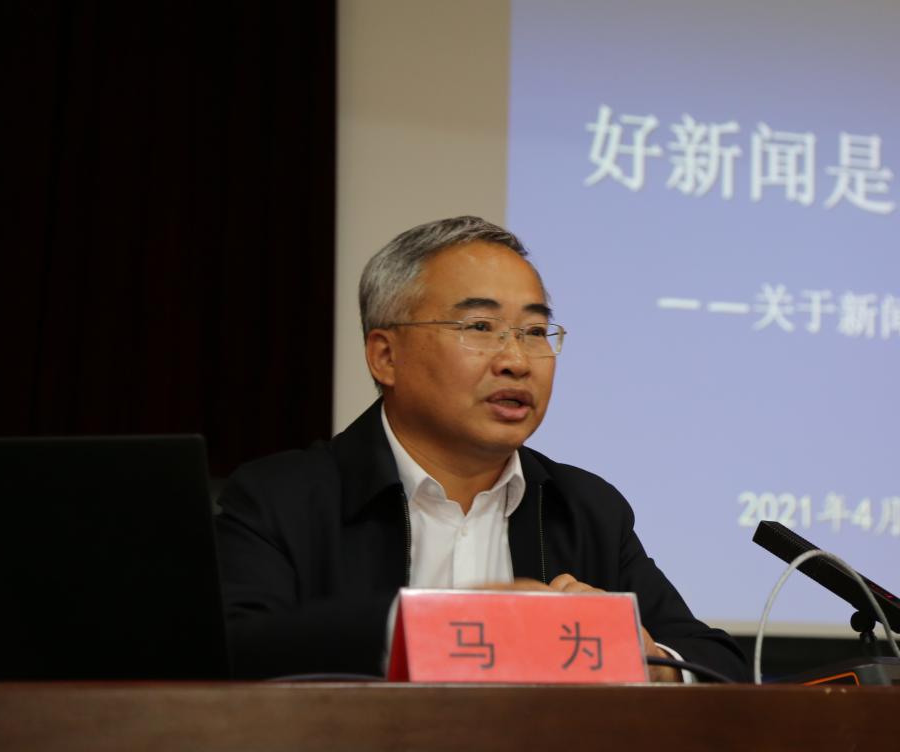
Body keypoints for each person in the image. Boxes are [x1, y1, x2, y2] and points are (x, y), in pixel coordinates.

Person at [216, 216, 747, 682]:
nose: (516, 360)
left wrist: (653, 664)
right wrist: (431, 627)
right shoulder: (282, 497)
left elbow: (718, 664)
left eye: (534, 331)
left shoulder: (584, 508)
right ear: (385, 356)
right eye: (480, 327)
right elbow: (228, 650)